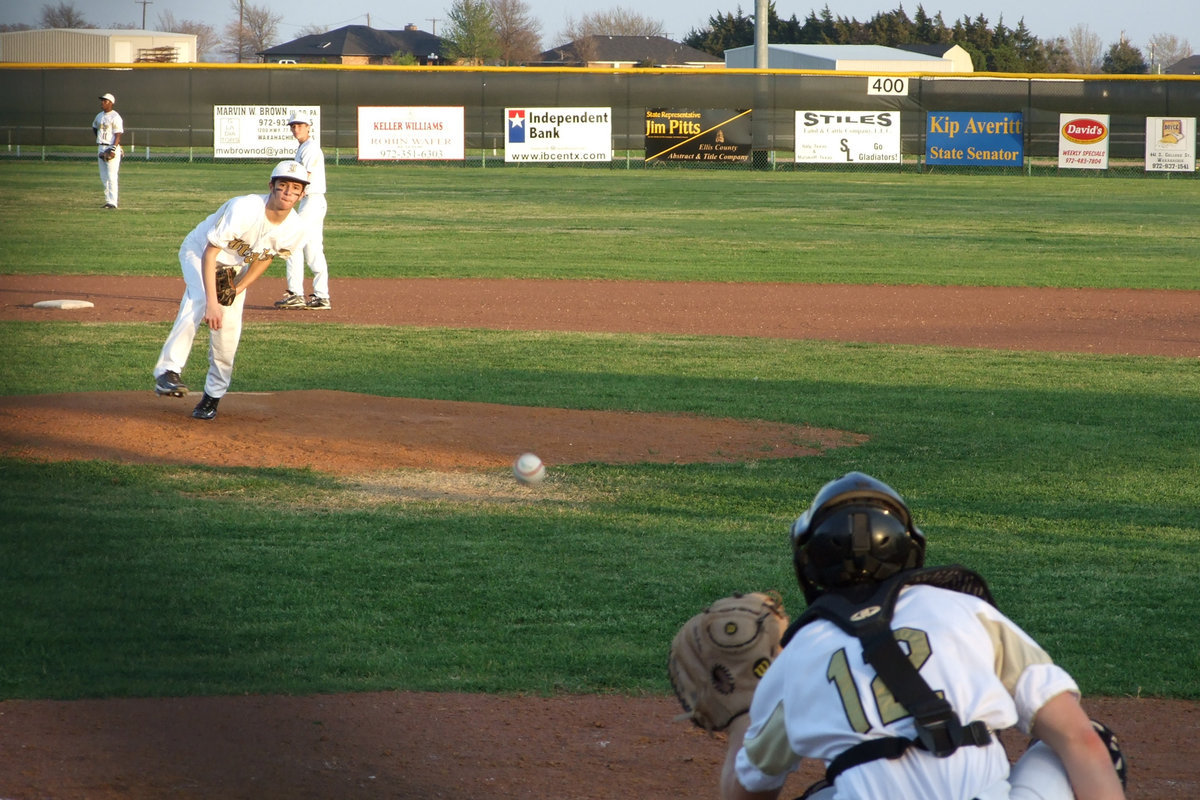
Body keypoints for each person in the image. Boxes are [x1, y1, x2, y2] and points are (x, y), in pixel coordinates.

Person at [720, 472, 1127, 800]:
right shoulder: (967, 611)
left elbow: (748, 789)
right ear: (909, 549)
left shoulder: (796, 656)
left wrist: (743, 718)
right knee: (1094, 741)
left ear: (810, 563)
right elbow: (1081, 743)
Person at [153, 161, 309, 420]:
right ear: (271, 186)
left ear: (302, 194)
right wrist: (213, 303)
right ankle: (167, 372)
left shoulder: (295, 228)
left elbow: (265, 258)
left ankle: (212, 396)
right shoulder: (245, 208)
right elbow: (210, 252)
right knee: (201, 299)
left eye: (295, 188)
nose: (288, 192)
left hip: (234, 268)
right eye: (282, 185)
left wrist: (237, 290)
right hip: (200, 251)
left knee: (228, 332)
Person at [273, 109, 331, 310]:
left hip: (312, 201)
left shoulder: (311, 148)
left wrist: (289, 202)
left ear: (308, 127)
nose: (296, 129)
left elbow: (305, 178)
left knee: (292, 242)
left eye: (300, 125)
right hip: (312, 203)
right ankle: (322, 296)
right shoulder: (303, 147)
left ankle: (296, 293)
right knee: (313, 248)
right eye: (293, 126)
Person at [92, 92, 123, 209]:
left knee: (111, 176)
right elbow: (94, 127)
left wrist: (113, 149)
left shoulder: (115, 116)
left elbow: (118, 134)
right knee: (103, 176)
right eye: (102, 101)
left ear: (111, 103)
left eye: (105, 101)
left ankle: (113, 202)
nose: (102, 103)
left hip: (111, 146)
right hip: (101, 146)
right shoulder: (99, 116)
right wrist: (100, 139)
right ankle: (107, 201)